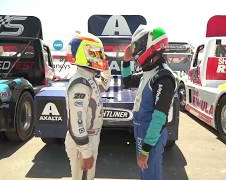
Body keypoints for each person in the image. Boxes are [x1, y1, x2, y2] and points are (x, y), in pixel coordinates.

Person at [121, 25, 176, 180]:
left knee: (151, 175)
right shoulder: (150, 72)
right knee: (145, 174)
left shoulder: (163, 77)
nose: (134, 50)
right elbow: (127, 81)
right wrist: (126, 61)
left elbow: (159, 119)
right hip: (142, 132)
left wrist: (145, 150)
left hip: (151, 135)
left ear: (150, 46)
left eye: (136, 46)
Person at [65, 32, 111, 180]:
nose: (100, 56)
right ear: (86, 52)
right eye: (96, 52)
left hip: (90, 138)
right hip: (83, 142)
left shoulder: (88, 78)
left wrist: (105, 66)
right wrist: (86, 152)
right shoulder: (80, 83)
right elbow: (77, 123)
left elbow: (105, 84)